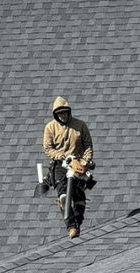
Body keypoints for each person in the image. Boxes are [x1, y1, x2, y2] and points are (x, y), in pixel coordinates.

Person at [42, 97, 94, 238]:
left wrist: (86, 160)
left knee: (79, 200)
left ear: (68, 112)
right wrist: (61, 156)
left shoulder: (80, 125)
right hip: (60, 165)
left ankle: (78, 220)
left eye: (64, 113)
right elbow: (48, 148)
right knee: (64, 196)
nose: (62, 116)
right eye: (59, 114)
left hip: (78, 164)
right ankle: (71, 226)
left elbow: (88, 145)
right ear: (55, 115)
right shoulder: (50, 128)